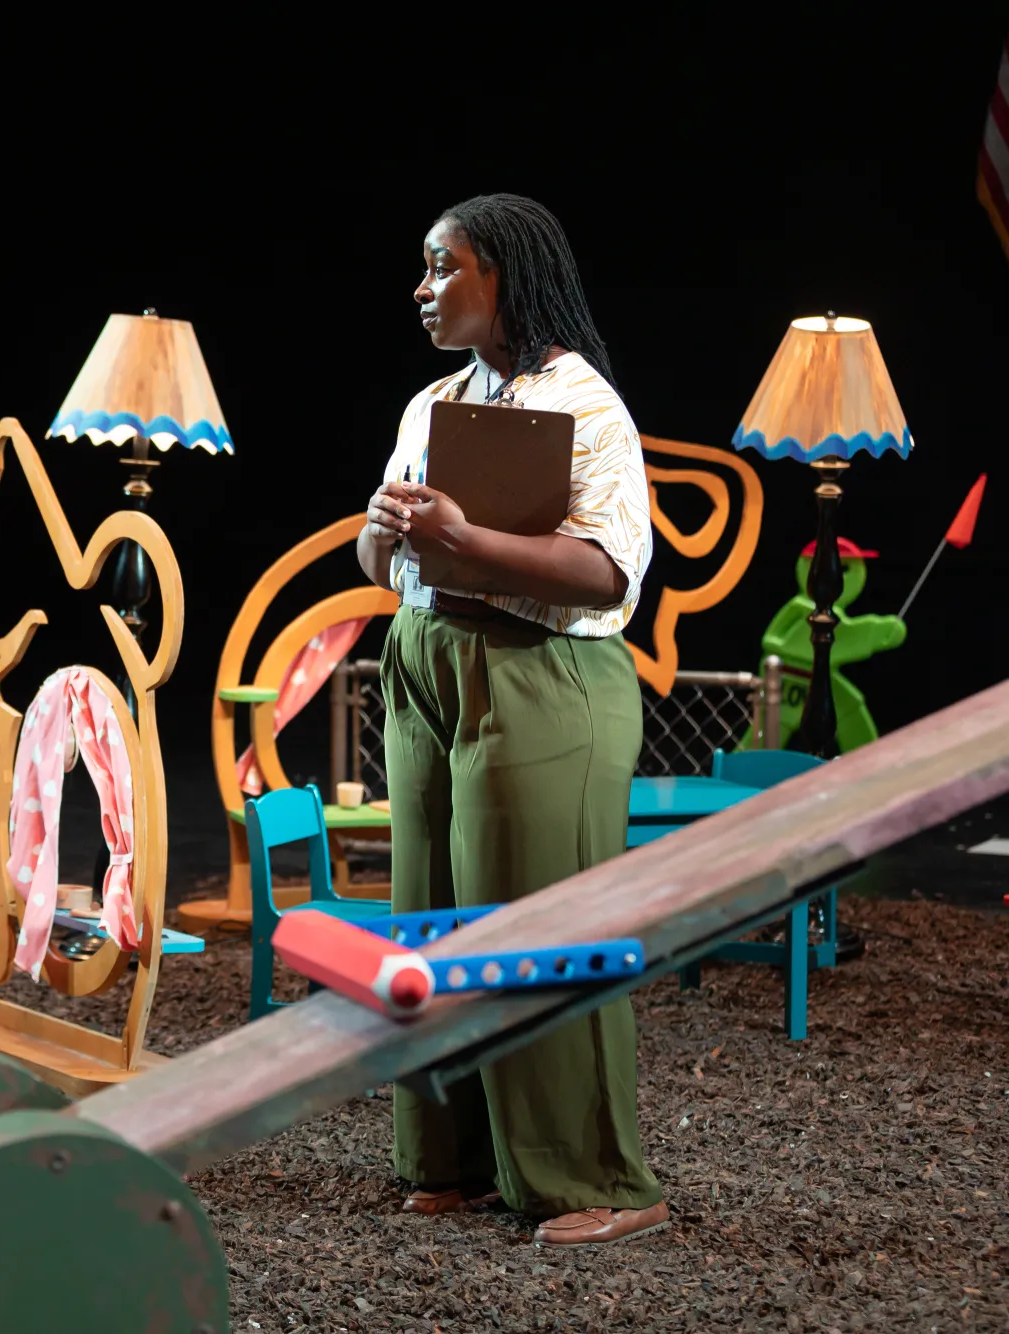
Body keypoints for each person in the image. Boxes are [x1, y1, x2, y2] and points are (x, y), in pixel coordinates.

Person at [355, 193, 668, 1247]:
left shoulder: (585, 406)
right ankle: (453, 1160)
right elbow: (383, 563)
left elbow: (603, 569)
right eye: (423, 266)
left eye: (443, 267)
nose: (422, 287)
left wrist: (464, 535)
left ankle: (596, 1182)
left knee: (538, 925)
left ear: (506, 277)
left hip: (536, 672)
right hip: (425, 662)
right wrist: (380, 528)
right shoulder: (431, 402)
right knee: (434, 916)